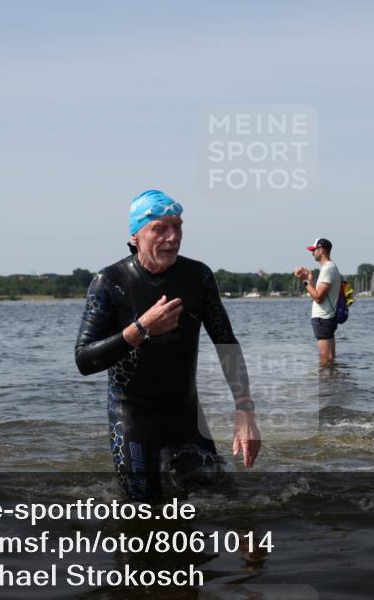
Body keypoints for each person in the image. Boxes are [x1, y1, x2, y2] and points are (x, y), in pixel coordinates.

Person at [75, 189, 261, 503]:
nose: (173, 237)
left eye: (178, 226)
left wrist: (245, 410)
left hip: (185, 414)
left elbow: (226, 342)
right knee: (141, 509)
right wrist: (140, 329)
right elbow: (84, 360)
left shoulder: (197, 276)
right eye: (160, 228)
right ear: (135, 235)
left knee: (229, 504)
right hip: (132, 416)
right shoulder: (109, 282)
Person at [295, 238, 341, 366]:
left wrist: (304, 281)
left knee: (325, 358)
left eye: (314, 250)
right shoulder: (331, 267)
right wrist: (310, 280)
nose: (312, 253)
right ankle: (332, 383)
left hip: (323, 318)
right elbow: (321, 293)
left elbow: (318, 297)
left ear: (322, 250)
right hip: (328, 317)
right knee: (330, 357)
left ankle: (325, 383)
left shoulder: (327, 269)